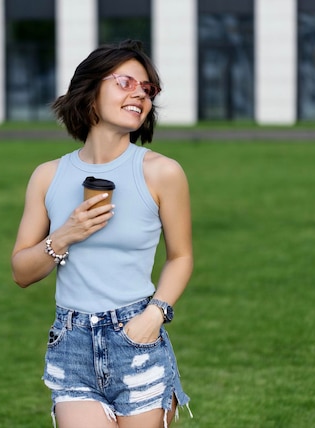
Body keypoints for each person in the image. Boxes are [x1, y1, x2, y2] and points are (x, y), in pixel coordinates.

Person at [11, 40, 193, 428]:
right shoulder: (48, 176)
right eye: (125, 82)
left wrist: (154, 315)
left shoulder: (162, 173)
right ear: (90, 94)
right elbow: (22, 272)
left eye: (147, 89)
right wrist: (64, 235)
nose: (139, 95)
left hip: (137, 338)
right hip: (71, 342)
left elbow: (181, 256)